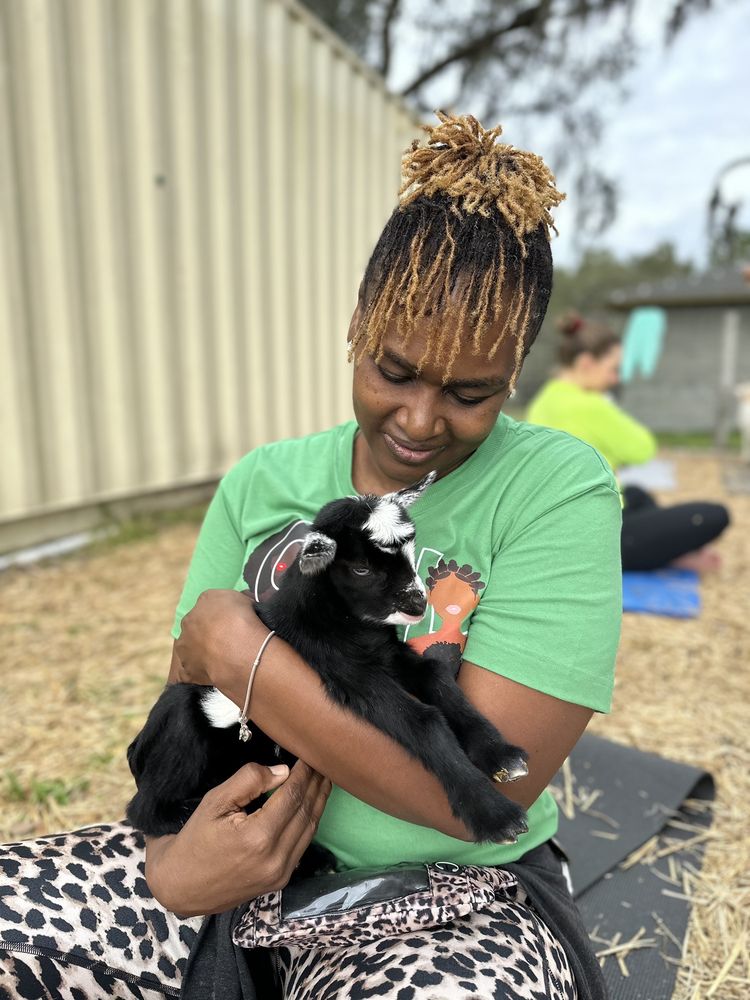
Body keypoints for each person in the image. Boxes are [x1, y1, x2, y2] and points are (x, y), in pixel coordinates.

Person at [0, 113, 621, 1000]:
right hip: (230, 870)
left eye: (470, 391)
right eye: (393, 370)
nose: (419, 419)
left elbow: (477, 798)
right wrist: (175, 867)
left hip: (455, 897)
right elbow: (193, 701)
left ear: (516, 371)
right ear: (357, 328)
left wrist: (246, 652)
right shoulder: (264, 481)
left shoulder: (557, 490)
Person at [526, 313, 730, 572]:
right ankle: (668, 555)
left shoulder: (545, 398)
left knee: (636, 493)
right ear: (587, 364)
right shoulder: (588, 405)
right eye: (612, 369)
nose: (615, 379)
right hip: (595, 538)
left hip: (559, 526)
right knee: (716, 515)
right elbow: (644, 448)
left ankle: (665, 548)